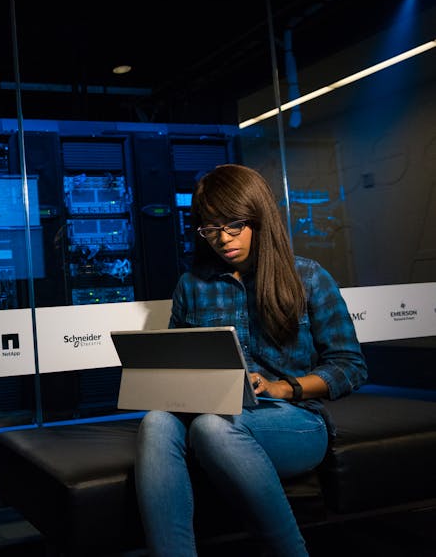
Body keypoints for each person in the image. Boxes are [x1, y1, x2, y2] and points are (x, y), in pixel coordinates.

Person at [134, 164, 367, 556]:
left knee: (212, 428)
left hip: (294, 420)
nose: (222, 239)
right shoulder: (192, 286)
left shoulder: (309, 278)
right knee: (156, 421)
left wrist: (281, 387)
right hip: (214, 414)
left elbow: (350, 366)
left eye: (234, 225)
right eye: (210, 229)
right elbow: (179, 365)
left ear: (259, 219)